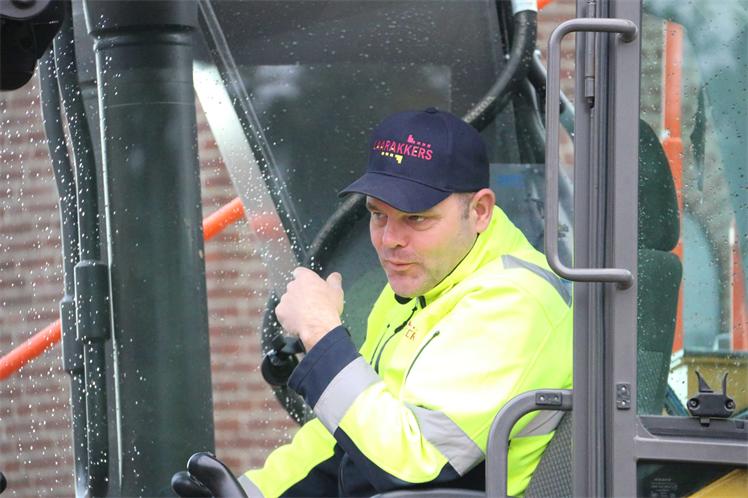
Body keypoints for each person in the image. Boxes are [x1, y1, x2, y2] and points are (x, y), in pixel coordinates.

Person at [240, 108, 572, 497]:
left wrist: (319, 329)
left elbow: (410, 464)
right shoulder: (423, 287)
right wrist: (247, 492)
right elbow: (345, 435)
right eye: (378, 215)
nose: (390, 240)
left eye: (416, 218)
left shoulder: (515, 303)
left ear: (479, 211)